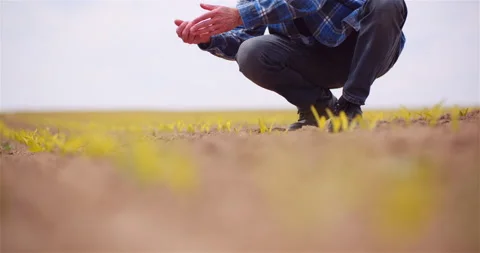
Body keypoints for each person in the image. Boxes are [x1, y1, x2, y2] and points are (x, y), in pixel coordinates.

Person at [175, 0, 408, 131]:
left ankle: (350, 105)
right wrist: (208, 39)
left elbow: (305, 3)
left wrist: (239, 15)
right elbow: (244, 39)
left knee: (387, 3)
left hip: (366, 49)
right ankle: (320, 108)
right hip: (314, 59)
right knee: (251, 52)